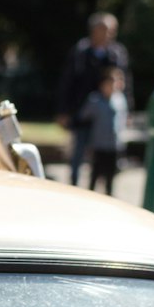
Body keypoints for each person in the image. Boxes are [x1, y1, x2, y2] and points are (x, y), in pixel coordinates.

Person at [56, 12, 132, 186]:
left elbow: (126, 83)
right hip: (82, 110)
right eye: (105, 29)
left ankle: (99, 189)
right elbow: (67, 82)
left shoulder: (117, 53)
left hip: (107, 114)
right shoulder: (81, 52)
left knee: (104, 155)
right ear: (94, 30)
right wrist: (63, 110)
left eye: (113, 30)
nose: (110, 34)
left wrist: (128, 110)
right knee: (78, 151)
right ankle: (74, 184)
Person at [80, 65, 128, 194]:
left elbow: (123, 120)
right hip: (98, 144)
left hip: (114, 145)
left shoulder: (120, 99)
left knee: (110, 179)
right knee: (94, 176)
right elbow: (84, 117)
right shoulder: (95, 100)